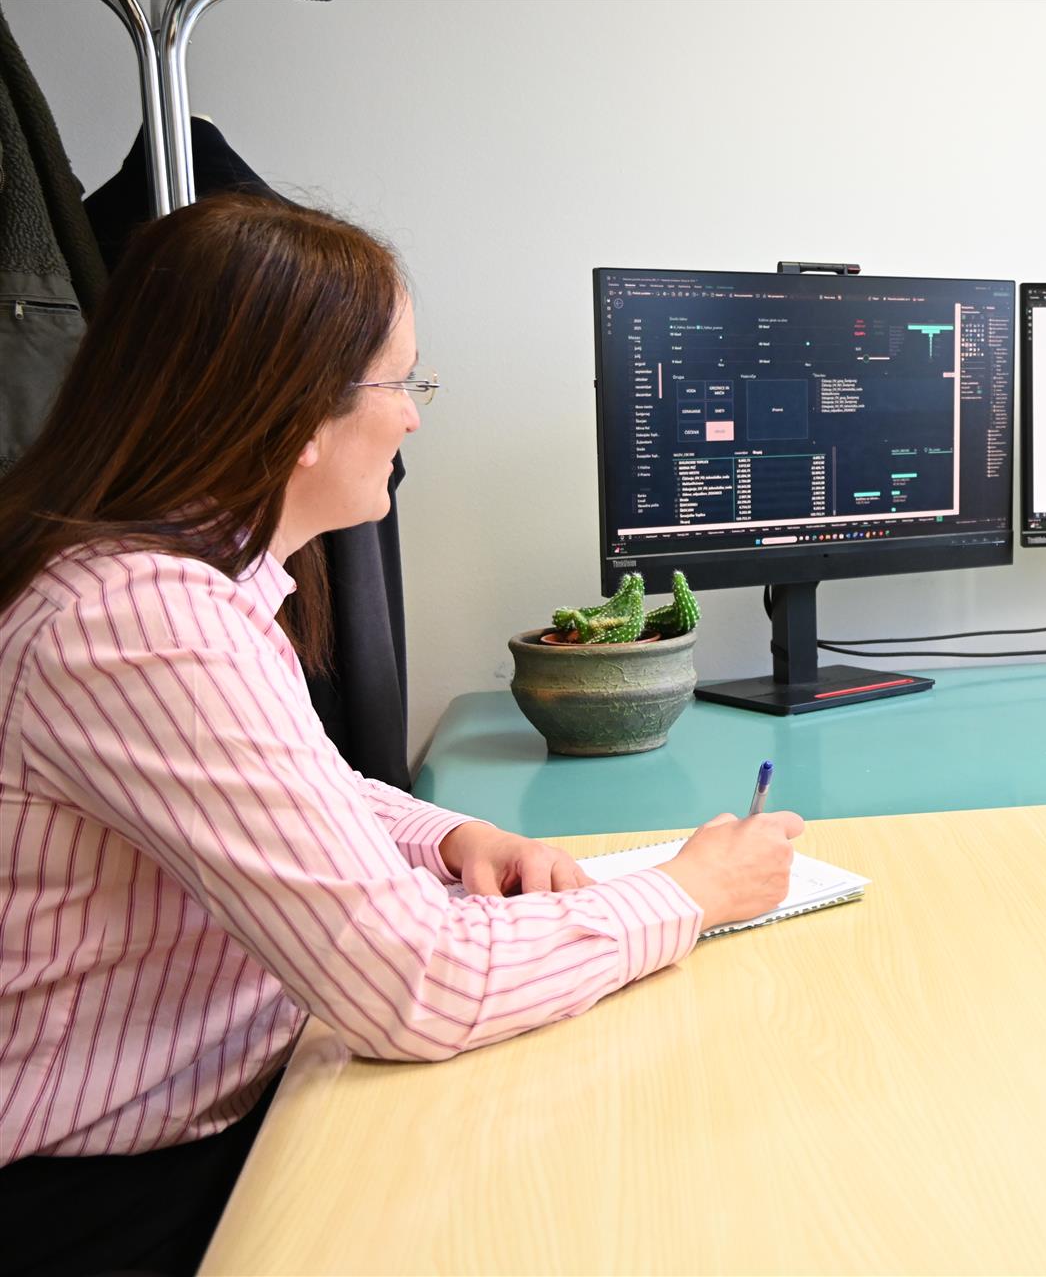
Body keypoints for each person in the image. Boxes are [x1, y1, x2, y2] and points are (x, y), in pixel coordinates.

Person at [0, 193, 804, 1276]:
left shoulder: (172, 585)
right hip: (102, 1202)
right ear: (295, 413)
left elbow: (279, 790)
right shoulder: (142, 623)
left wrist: (452, 835)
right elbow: (413, 985)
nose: (415, 420)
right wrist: (692, 892)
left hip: (208, 1118)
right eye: (400, 383)